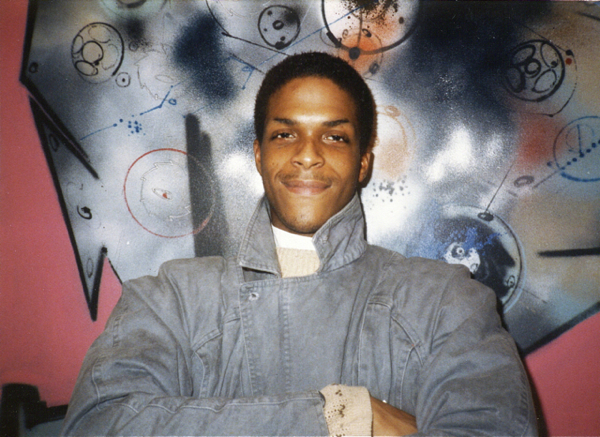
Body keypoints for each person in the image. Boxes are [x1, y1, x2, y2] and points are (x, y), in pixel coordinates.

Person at [61, 52, 537, 436]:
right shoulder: (170, 298)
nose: (307, 154)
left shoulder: (446, 301)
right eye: (285, 133)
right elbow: (98, 426)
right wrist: (344, 418)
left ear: (364, 162)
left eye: (334, 136)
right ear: (258, 153)